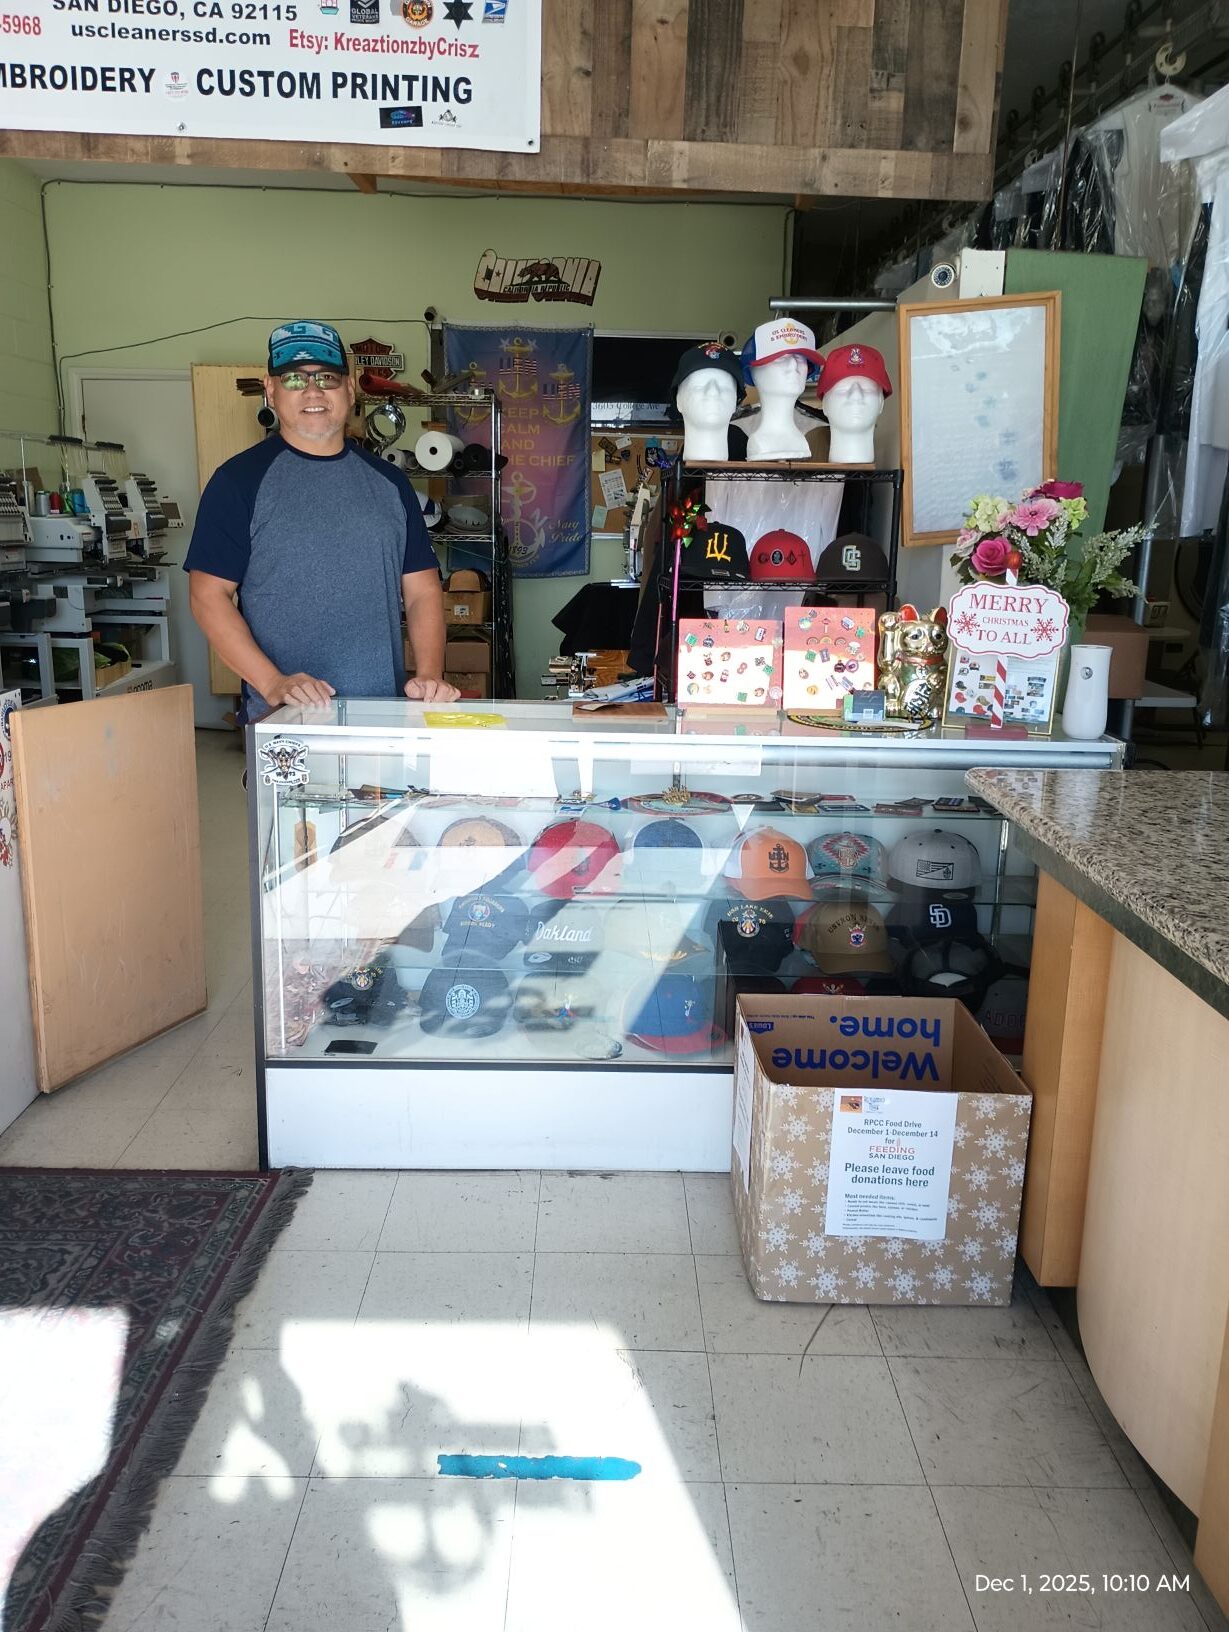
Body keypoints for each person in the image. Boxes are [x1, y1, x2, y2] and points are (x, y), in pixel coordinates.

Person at [186, 319, 459, 717]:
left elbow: (422, 592)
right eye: (294, 379)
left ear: (349, 390)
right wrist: (272, 682)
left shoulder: (391, 483)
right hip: (285, 720)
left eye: (327, 377)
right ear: (271, 390)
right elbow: (207, 596)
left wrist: (430, 675)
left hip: (383, 715)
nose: (312, 391)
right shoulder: (238, 482)